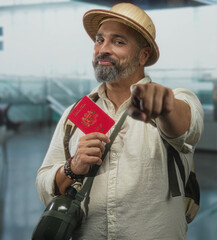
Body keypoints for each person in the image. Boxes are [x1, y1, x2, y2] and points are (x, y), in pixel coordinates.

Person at [36, 3, 204, 239]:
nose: (103, 49)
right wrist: (73, 167)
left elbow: (187, 126)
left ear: (143, 55)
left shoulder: (173, 101)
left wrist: (166, 105)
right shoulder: (77, 113)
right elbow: (44, 183)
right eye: (99, 40)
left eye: (118, 42)